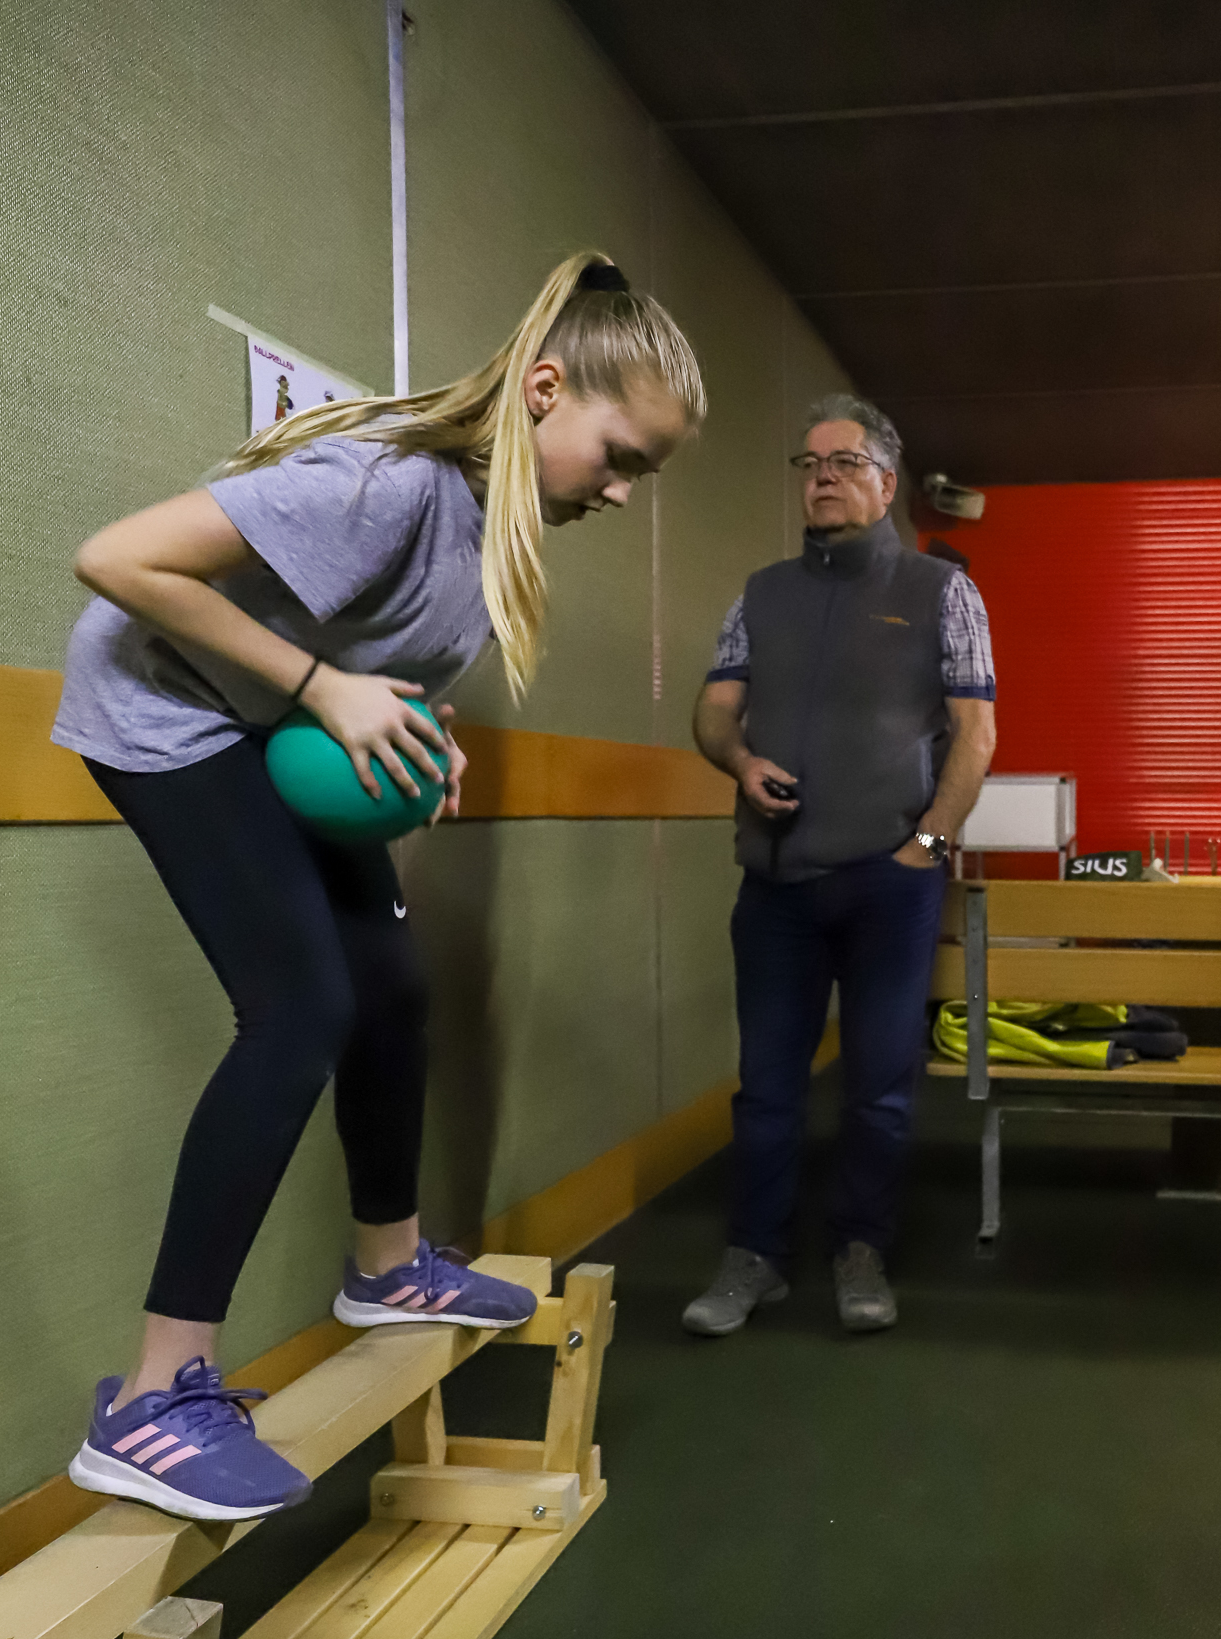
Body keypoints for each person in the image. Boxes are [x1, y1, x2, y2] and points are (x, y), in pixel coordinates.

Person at [51, 253, 705, 1521]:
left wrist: (409, 736)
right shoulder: (387, 482)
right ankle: (152, 1395)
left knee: (389, 989)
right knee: (297, 1007)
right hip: (166, 713)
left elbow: (365, 665)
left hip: (263, 723)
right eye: (622, 455)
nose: (624, 490)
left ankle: (387, 1265)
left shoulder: (489, 529)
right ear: (545, 390)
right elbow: (119, 559)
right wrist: (322, 690)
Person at [682, 395, 996, 1339]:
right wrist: (740, 762)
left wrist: (927, 846)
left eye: (844, 462)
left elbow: (976, 734)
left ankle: (860, 1248)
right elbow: (714, 710)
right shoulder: (760, 593)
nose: (822, 477)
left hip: (888, 883)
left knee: (879, 1086)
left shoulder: (942, 591)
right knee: (766, 1087)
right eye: (809, 464)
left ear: (886, 484)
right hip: (775, 883)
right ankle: (754, 1256)